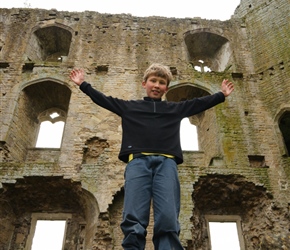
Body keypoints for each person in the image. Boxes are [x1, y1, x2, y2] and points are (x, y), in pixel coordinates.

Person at [69, 63, 234, 250]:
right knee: (134, 213)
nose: (157, 85)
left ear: (166, 88)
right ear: (144, 83)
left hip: (167, 163)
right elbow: (104, 100)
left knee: (168, 214)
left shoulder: (174, 109)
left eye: (162, 82)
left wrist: (221, 95)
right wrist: (83, 84)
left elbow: (198, 104)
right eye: (153, 81)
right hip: (138, 162)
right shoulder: (130, 107)